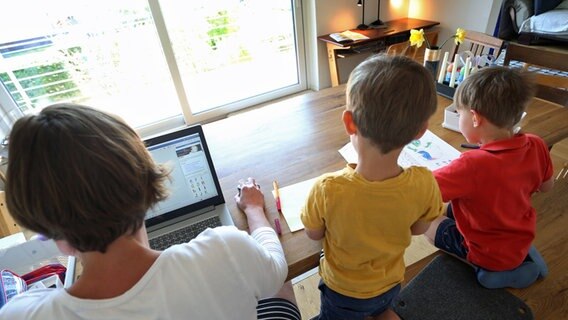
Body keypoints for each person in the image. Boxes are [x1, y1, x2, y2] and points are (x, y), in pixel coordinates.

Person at [0, 104, 300, 320]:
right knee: (277, 288)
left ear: (53, 236)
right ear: (146, 186)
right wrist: (254, 210)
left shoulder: (23, 314)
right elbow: (276, 269)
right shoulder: (226, 250)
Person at [300, 54, 445, 320]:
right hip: (389, 285)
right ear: (421, 131)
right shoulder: (425, 182)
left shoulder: (327, 189)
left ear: (349, 122)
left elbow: (313, 233)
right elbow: (419, 229)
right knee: (380, 310)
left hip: (342, 293)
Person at [424, 66, 554, 289]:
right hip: (518, 234)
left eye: (459, 112)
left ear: (474, 117)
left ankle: (488, 271)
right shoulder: (536, 143)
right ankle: (520, 259)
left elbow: (422, 191)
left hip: (485, 252)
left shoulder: (471, 165)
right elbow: (546, 187)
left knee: (428, 225)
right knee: (454, 209)